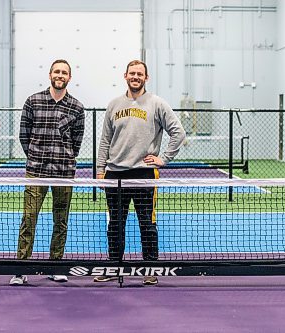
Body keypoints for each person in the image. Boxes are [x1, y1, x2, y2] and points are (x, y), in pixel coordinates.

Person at [95, 60, 185, 286]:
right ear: (125, 76)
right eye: (132, 73)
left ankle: (151, 269)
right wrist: (99, 170)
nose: (135, 77)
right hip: (115, 175)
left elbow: (179, 133)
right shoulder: (114, 105)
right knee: (115, 224)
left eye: (140, 74)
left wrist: (163, 159)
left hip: (144, 174)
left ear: (147, 77)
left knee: (147, 223)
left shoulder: (157, 104)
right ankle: (115, 266)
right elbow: (105, 140)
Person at [10, 59, 85, 285]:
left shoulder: (77, 107)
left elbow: (77, 143)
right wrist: (35, 156)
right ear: (50, 74)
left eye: (64, 72)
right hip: (36, 171)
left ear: (69, 78)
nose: (60, 75)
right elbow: (24, 136)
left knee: (61, 221)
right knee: (29, 219)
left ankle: (56, 266)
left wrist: (65, 157)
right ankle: (21, 270)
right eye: (57, 71)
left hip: (64, 173)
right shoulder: (33, 101)